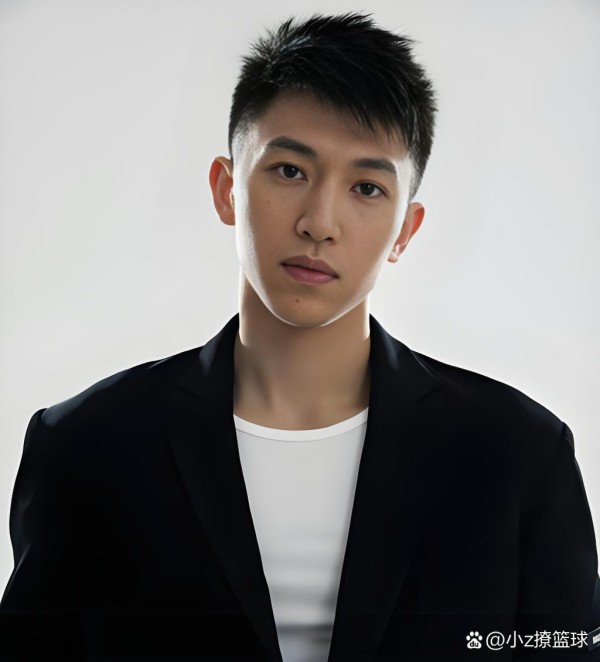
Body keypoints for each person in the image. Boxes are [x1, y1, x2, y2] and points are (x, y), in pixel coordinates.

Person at [1, 11, 599, 662]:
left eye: (367, 187)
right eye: (289, 170)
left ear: (405, 231)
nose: (320, 222)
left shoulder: (518, 455)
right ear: (227, 189)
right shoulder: (88, 447)